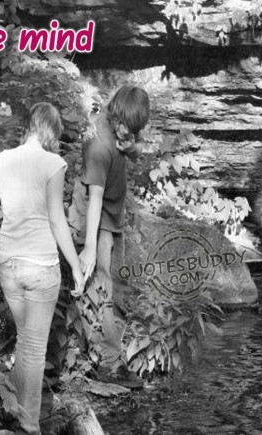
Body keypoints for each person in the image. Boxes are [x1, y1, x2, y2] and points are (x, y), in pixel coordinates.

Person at [0, 102, 85, 434]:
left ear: (28, 125)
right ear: (51, 131)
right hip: (41, 267)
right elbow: (56, 220)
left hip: (9, 266)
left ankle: (12, 407)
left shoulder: (2, 159)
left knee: (25, 339)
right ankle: (29, 424)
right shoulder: (53, 164)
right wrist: (76, 266)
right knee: (34, 348)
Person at [78, 85, 150, 383]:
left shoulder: (123, 125)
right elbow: (94, 199)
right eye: (123, 126)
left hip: (112, 218)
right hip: (96, 223)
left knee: (114, 286)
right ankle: (110, 364)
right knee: (101, 286)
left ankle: (105, 354)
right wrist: (90, 248)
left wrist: (132, 147)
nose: (126, 132)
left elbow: (136, 150)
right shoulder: (99, 145)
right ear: (115, 114)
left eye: (132, 129)